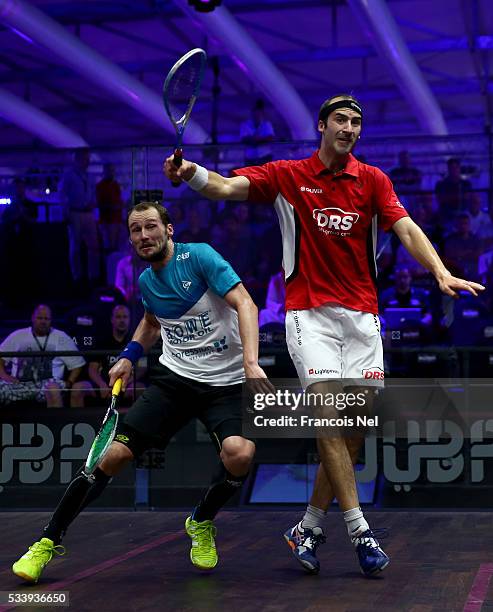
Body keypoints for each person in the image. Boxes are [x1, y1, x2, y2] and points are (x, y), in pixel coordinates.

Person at [164, 93, 485, 577]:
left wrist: (440, 271)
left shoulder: (372, 180)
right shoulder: (287, 175)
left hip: (363, 321)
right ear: (321, 125)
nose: (350, 128)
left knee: (352, 437)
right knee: (331, 424)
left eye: (357, 122)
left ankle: (308, 527)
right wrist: (190, 174)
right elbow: (227, 188)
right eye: (341, 119)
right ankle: (361, 531)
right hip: (308, 316)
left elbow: (407, 227)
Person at [12, 201, 270, 583]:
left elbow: (246, 304)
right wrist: (131, 354)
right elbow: (151, 322)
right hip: (175, 380)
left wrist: (251, 362)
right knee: (110, 457)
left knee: (240, 454)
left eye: (151, 227)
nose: (144, 236)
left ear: (169, 229)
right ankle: (46, 543)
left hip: (224, 385)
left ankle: (200, 521)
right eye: (135, 230)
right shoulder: (147, 281)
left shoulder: (200, 258)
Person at [0, 304, 86, 408]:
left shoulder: (61, 337)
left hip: (49, 383)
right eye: (40, 318)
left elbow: (78, 364)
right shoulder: (18, 336)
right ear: (33, 318)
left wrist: (69, 382)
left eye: (46, 319)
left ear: (51, 320)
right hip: (20, 384)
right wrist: (5, 376)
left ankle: (57, 423)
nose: (43, 322)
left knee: (52, 388)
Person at [59, 148, 101, 287]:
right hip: (75, 212)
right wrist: (66, 213)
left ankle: (92, 276)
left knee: (93, 246)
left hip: (88, 213)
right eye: (85, 158)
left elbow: (93, 192)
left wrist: (94, 202)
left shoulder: (89, 176)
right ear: (77, 159)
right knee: (75, 246)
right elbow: (62, 195)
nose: (87, 161)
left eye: (88, 158)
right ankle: (77, 276)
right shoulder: (69, 175)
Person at [88, 304, 146, 403]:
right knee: (79, 387)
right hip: (105, 385)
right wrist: (101, 384)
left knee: (139, 387)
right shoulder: (102, 342)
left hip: (127, 383)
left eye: (125, 317)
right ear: (112, 319)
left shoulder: (137, 341)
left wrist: (126, 382)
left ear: (129, 319)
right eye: (118, 317)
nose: (122, 320)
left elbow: (142, 368)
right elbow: (92, 369)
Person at [96, 162, 125, 255]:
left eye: (113, 170)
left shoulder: (116, 185)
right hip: (106, 221)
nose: (112, 172)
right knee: (108, 247)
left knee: (115, 246)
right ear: (105, 171)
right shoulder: (100, 186)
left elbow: (119, 200)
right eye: (110, 170)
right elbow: (100, 203)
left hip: (116, 220)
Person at [240, 99, 275, 166]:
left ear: (262, 112)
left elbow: (270, 138)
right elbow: (244, 139)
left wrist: (254, 140)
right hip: (250, 157)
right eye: (255, 110)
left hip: (264, 156)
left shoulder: (267, 124)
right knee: (250, 175)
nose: (257, 113)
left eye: (259, 111)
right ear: (252, 111)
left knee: (264, 175)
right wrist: (261, 139)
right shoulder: (245, 124)